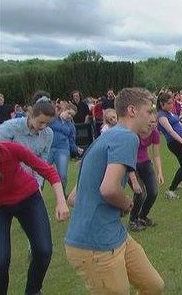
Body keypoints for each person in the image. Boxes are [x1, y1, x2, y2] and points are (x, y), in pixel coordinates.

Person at [64, 87, 164, 294]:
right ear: (132, 110)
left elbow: (74, 197)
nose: (153, 118)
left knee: (153, 285)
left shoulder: (105, 139)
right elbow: (109, 189)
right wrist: (127, 203)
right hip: (95, 246)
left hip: (116, 236)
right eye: (149, 111)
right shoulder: (127, 137)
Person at [0, 141, 69, 295]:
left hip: (28, 199)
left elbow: (48, 171)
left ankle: (33, 290)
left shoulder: (10, 149)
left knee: (43, 250)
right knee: (0, 262)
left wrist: (61, 202)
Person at [0, 97, 56, 189]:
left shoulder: (49, 134)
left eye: (47, 124)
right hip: (10, 179)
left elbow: (42, 161)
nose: (43, 126)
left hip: (32, 182)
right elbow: (1, 155)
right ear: (32, 115)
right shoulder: (11, 127)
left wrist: (38, 185)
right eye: (41, 122)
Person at [127, 114, 165, 231]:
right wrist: (133, 180)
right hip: (131, 165)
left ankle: (142, 216)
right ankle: (133, 220)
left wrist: (160, 172)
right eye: (149, 122)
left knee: (153, 192)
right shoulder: (133, 133)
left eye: (154, 122)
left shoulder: (155, 133)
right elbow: (127, 156)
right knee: (140, 193)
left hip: (145, 163)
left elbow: (157, 155)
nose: (152, 125)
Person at [48, 101, 84, 195]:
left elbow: (72, 141)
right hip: (48, 149)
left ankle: (62, 194)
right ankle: (38, 194)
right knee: (41, 174)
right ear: (64, 110)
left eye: (72, 116)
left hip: (63, 150)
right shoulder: (52, 119)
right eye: (69, 113)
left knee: (63, 175)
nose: (70, 117)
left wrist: (76, 149)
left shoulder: (71, 127)